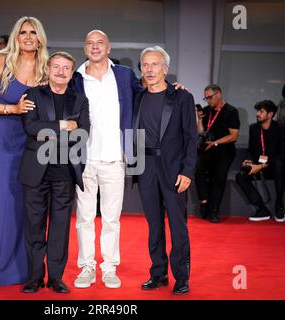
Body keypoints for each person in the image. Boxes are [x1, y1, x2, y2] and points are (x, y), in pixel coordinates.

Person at [0, 16, 49, 286]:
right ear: (16, 37)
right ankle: (0, 265)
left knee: (27, 200)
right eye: (23, 33)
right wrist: (13, 109)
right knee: (3, 198)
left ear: (40, 37)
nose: (28, 37)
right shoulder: (1, 61)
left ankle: (26, 266)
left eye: (33, 32)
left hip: (32, 139)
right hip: (2, 137)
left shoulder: (45, 66)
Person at [69, 30, 143, 289]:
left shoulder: (123, 75)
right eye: (90, 43)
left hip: (115, 157)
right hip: (84, 157)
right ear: (85, 48)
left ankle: (109, 267)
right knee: (84, 218)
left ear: (109, 47)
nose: (95, 47)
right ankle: (87, 267)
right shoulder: (75, 78)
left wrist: (173, 91)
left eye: (100, 43)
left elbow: (146, 94)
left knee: (112, 218)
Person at [18, 52, 90, 294]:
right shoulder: (33, 94)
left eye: (66, 68)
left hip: (64, 173)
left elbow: (82, 133)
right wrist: (62, 125)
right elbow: (31, 128)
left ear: (72, 73)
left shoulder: (80, 100)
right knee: (34, 226)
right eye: (56, 67)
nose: (61, 71)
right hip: (35, 172)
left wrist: (53, 130)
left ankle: (56, 277)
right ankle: (35, 277)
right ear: (48, 68)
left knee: (60, 228)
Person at [133, 46, 196, 295]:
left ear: (165, 69)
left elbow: (191, 138)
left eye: (155, 64)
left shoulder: (182, 97)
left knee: (178, 226)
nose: (149, 69)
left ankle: (181, 277)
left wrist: (188, 171)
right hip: (146, 166)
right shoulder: (137, 96)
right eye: (145, 65)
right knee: (154, 225)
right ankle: (158, 273)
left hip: (173, 169)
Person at [236, 100, 285, 222]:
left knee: (279, 164)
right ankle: (261, 208)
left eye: (261, 111)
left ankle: (279, 204)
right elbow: (251, 150)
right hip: (259, 165)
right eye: (257, 111)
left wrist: (261, 166)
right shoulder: (254, 128)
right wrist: (249, 160)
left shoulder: (279, 129)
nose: (257, 114)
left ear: (270, 114)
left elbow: (284, 154)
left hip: (275, 166)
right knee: (240, 175)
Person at [195, 84, 240, 223]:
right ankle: (204, 202)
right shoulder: (207, 110)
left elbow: (234, 136)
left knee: (219, 177)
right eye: (206, 98)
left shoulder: (231, 111)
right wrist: (200, 119)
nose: (208, 101)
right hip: (208, 148)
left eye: (210, 97)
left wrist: (215, 143)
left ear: (218, 94)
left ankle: (214, 210)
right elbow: (201, 132)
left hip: (224, 149)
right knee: (198, 169)